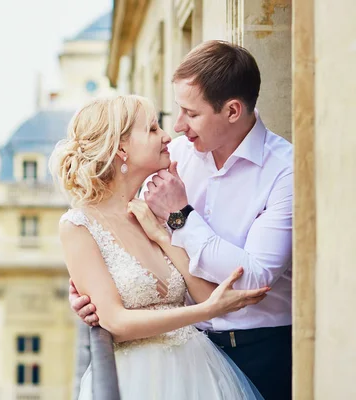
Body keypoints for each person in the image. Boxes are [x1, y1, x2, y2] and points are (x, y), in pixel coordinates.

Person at [68, 41, 293, 400]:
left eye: (191, 113)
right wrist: (92, 287)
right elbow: (126, 236)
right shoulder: (175, 156)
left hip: (264, 350)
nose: (178, 127)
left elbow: (252, 280)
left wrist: (181, 216)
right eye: (175, 113)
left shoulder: (285, 171)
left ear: (232, 111)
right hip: (186, 353)